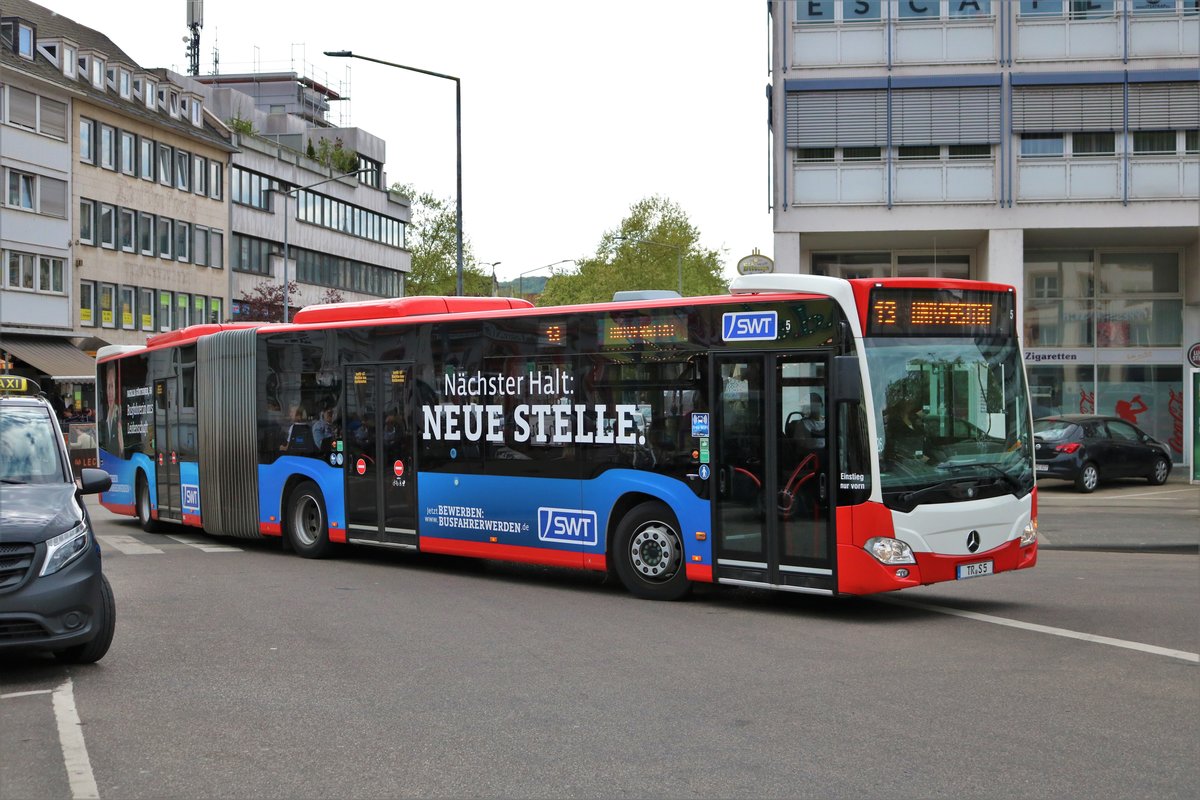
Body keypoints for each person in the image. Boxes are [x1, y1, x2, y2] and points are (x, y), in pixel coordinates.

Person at [884, 396, 929, 463]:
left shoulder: (914, 419)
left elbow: (922, 434)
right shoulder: (895, 423)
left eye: (911, 403)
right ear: (901, 406)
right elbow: (900, 443)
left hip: (919, 453)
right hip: (905, 459)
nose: (911, 405)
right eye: (908, 403)